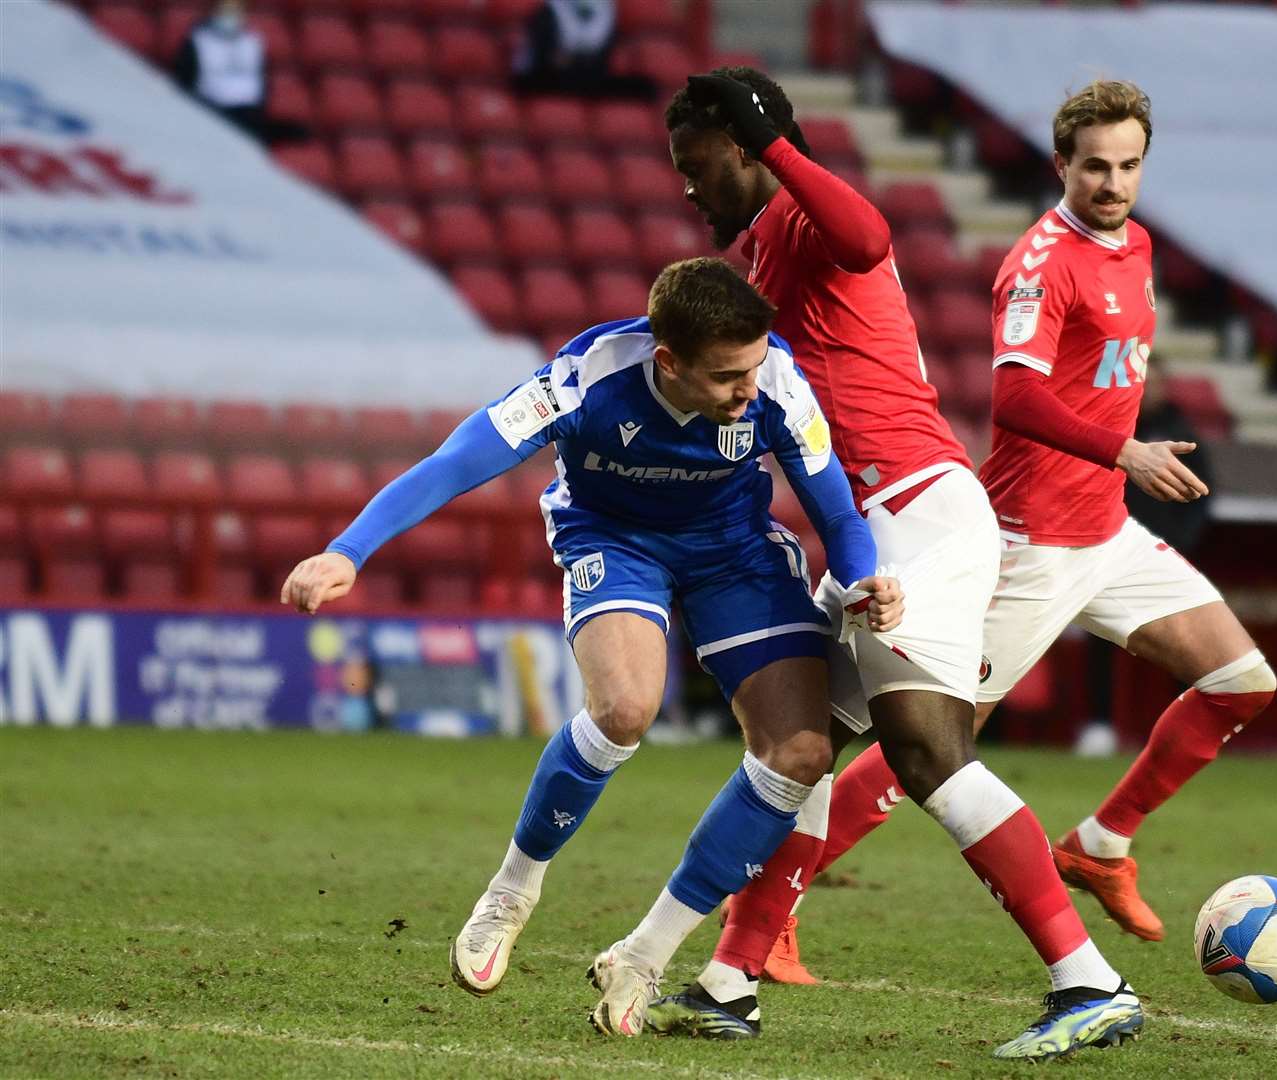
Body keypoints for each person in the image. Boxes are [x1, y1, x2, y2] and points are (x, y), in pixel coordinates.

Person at [629, 68, 1143, 1061]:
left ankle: (1087, 981)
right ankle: (727, 983)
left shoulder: (806, 220)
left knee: (921, 747)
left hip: (917, 510)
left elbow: (870, 236)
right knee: (794, 753)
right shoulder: (757, 264)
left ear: (742, 148)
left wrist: (780, 145)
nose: (689, 188)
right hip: (872, 529)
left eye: (698, 166)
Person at [279, 258, 903, 1035]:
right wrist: (349, 550)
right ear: (667, 361)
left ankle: (643, 956)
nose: (748, 387)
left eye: (753, 367)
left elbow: (837, 512)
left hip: (732, 551)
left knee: (801, 753)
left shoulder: (774, 379)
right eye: (725, 376)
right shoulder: (585, 378)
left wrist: (863, 578)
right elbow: (457, 461)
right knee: (624, 708)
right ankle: (512, 890)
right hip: (615, 538)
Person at [1075, 353, 1216, 756]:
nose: (1148, 389)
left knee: (1178, 646)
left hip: (1163, 557)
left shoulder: (1183, 436)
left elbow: (1202, 497)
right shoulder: (1113, 431)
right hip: (1109, 552)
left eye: (1153, 382)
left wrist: (1180, 544)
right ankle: (1099, 725)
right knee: (1101, 642)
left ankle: (1178, 730)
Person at [171, 0, 292, 145]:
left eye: (236, 9)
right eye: (227, 9)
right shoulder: (198, 41)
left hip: (250, 114)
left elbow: (263, 82)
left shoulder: (252, 41)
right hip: (213, 113)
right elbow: (184, 84)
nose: (231, 14)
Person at [509, 0, 653, 99]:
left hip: (586, 76)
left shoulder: (605, 11)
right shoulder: (548, 11)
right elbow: (545, 57)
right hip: (546, 78)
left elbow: (602, 61)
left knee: (643, 87)